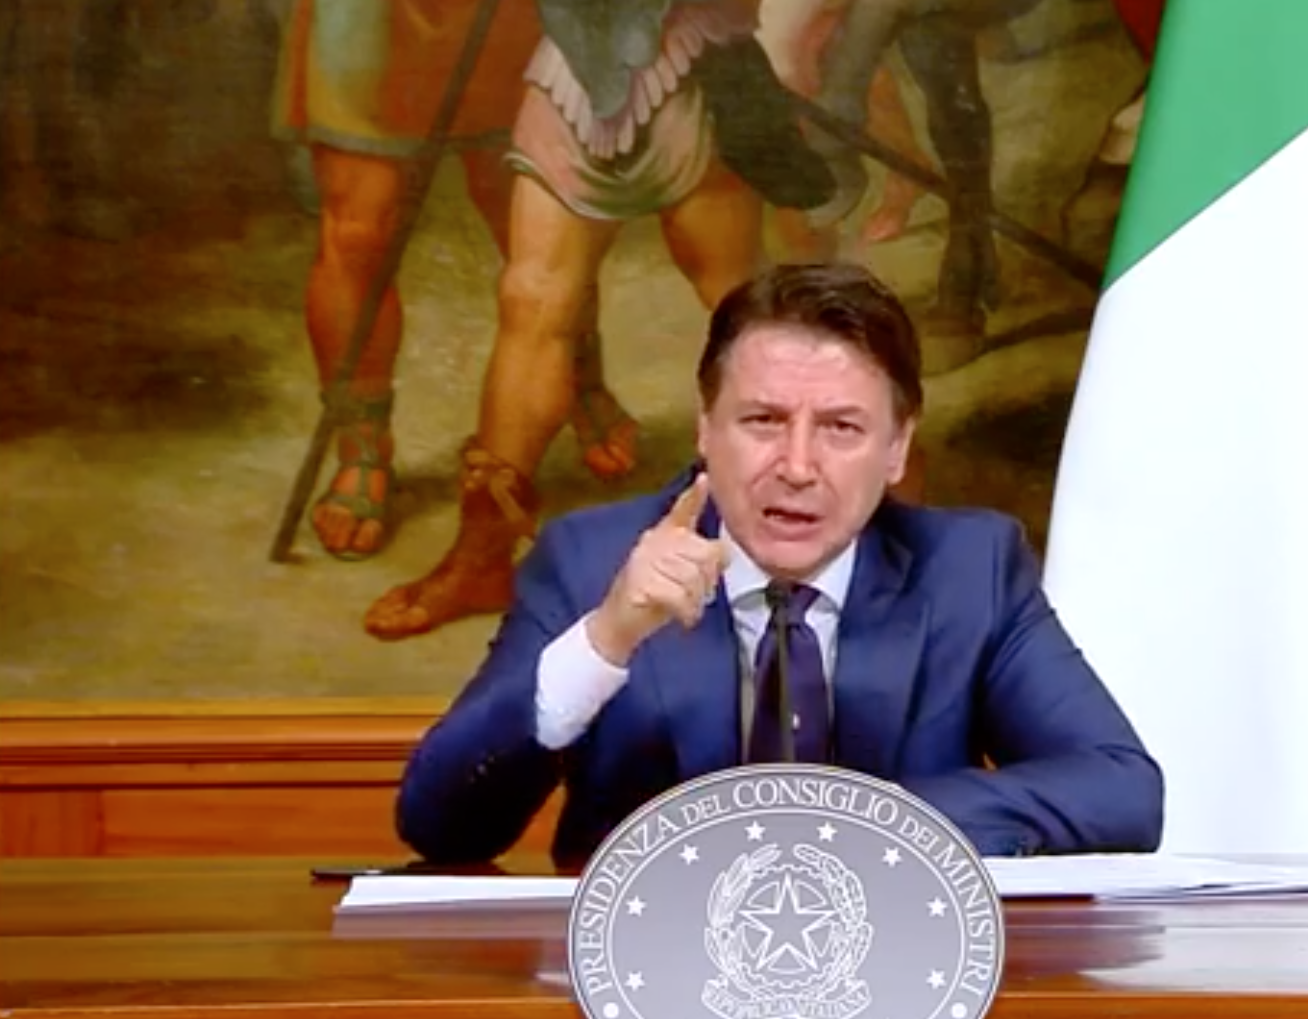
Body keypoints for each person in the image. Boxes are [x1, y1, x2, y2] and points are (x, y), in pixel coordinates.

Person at [395, 262, 1164, 866]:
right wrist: (605, 640)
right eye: (763, 420)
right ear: (706, 428)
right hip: (646, 974)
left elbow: (1122, 789)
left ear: (897, 448)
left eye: (841, 428)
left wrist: (858, 826)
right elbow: (440, 825)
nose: (797, 466)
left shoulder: (970, 567)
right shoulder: (589, 560)